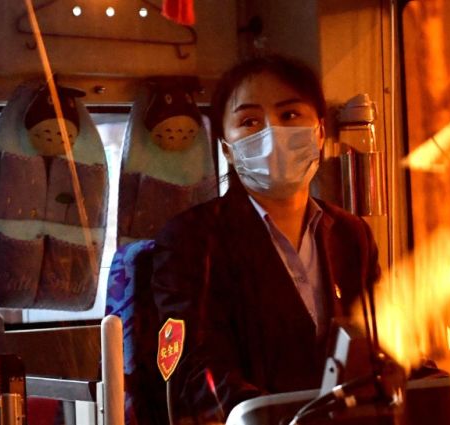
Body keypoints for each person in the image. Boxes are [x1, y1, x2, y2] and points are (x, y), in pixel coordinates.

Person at [150, 55, 381, 423]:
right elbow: (196, 369)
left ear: (320, 132)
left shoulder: (351, 235)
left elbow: (381, 343)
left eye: (289, 115)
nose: (272, 133)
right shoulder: (192, 240)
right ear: (226, 148)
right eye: (249, 121)